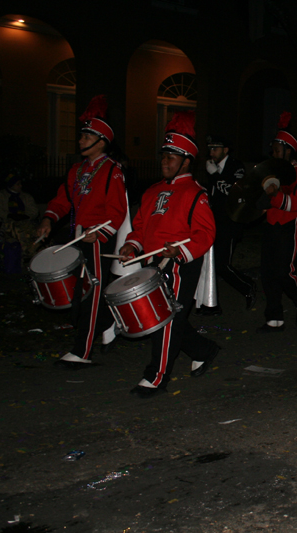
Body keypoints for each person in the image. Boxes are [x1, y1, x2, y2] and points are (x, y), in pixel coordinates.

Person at [119, 111, 218, 399]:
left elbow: (205, 234)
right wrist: (132, 246)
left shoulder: (195, 194)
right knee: (164, 317)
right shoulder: (151, 192)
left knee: (167, 319)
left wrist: (180, 251)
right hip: (152, 264)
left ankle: (157, 375)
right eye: (163, 156)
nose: (164, 161)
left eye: (171, 157)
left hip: (178, 265)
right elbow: (139, 228)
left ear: (186, 161)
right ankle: (203, 349)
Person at [36, 95, 127, 369]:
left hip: (98, 238)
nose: (80, 140)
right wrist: (49, 220)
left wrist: (99, 233)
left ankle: (82, 350)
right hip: (78, 235)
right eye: (82, 135)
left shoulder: (112, 171)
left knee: (93, 294)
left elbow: (117, 210)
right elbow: (63, 200)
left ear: (102, 140)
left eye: (87, 136)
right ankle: (111, 320)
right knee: (82, 294)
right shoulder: (76, 170)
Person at [256, 112, 297, 333]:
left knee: (283, 271)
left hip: (290, 226)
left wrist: (275, 195)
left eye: (278, 150)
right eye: (274, 150)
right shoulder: (270, 172)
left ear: (289, 151)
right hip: (271, 225)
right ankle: (274, 318)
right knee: (267, 271)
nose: (274, 154)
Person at [198, 135, 257, 316]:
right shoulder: (212, 166)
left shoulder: (236, 167)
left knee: (222, 265)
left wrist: (215, 175)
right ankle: (210, 304)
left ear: (226, 150)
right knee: (209, 264)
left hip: (230, 222)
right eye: (210, 148)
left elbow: (232, 192)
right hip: (213, 221)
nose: (211, 152)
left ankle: (247, 286)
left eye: (215, 148)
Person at [0, 170, 39, 271]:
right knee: (17, 231)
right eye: (17, 184)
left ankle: (33, 254)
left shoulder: (25, 196)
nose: (20, 186)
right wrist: (10, 215)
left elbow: (34, 210)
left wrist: (25, 216)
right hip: (7, 222)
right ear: (11, 185)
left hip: (24, 222)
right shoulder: (1, 195)